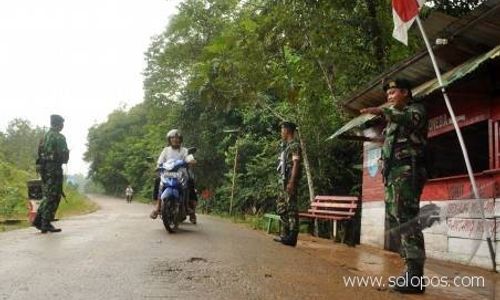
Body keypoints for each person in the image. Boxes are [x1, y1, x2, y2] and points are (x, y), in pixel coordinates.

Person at [360, 78, 428, 294]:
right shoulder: (392, 120)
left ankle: (415, 276)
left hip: (409, 171)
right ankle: (409, 270)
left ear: (406, 93)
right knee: (398, 218)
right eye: (388, 94)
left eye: (393, 92)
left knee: (407, 219)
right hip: (394, 174)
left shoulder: (415, 110)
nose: (389, 96)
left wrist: (382, 112)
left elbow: (410, 120)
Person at [32, 114, 69, 233]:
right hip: (54, 169)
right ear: (59, 124)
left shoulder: (44, 137)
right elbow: (64, 157)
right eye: (62, 124)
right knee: (54, 195)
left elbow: (39, 153)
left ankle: (39, 220)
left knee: (48, 194)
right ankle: (45, 222)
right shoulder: (59, 137)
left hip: (44, 169)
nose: (63, 126)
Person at [150, 129, 197, 222]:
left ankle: (189, 208)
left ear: (180, 139)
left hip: (181, 174)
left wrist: (191, 161)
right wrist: (158, 166)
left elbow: (190, 158)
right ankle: (158, 206)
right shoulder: (166, 150)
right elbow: (160, 161)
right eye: (172, 138)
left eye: (177, 138)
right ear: (169, 139)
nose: (175, 140)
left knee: (190, 181)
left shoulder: (184, 150)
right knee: (157, 180)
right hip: (167, 173)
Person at [274, 121, 301, 247]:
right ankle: (285, 234)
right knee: (281, 207)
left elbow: (296, 164)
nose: (281, 132)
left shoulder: (295, 145)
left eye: (282, 129)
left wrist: (292, 181)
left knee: (291, 208)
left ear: (288, 130)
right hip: (283, 182)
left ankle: (292, 236)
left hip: (289, 181)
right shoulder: (285, 147)